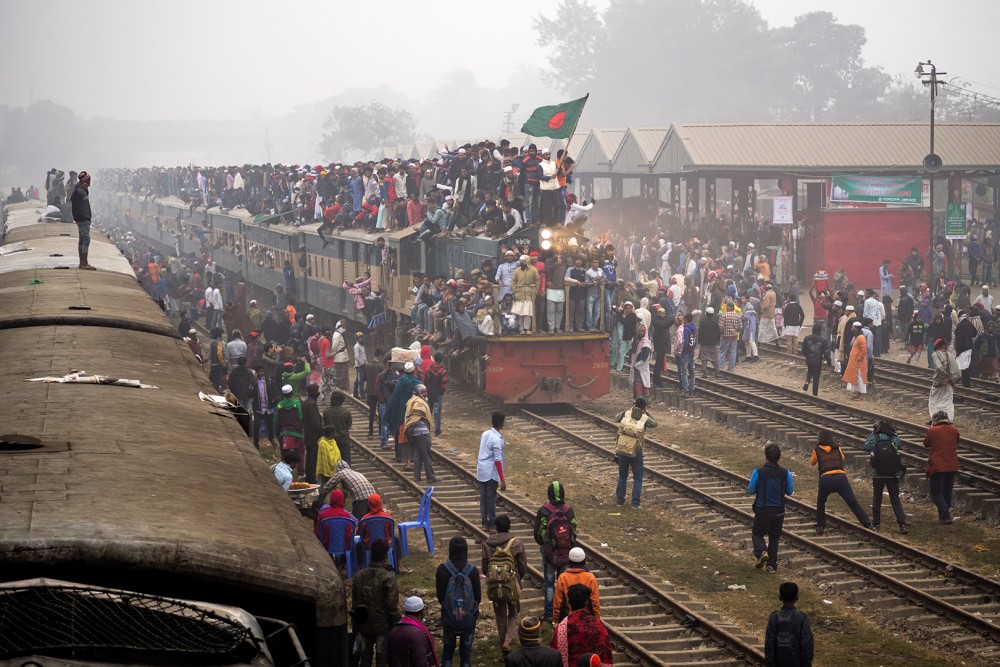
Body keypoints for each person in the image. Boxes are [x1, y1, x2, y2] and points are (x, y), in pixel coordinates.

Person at [482, 514, 528, 656]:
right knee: (514, 613)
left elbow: (485, 568)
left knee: (500, 617)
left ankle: (504, 652)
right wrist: (518, 578)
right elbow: (522, 566)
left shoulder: (487, 544)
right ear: (509, 526)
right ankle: (507, 641)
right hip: (511, 586)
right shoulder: (516, 543)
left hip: (495, 587)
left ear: (496, 527)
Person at [809, 430, 872, 533]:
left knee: (821, 502)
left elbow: (812, 462)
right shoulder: (837, 448)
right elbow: (842, 458)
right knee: (853, 502)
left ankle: (820, 525)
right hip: (841, 477)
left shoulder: (817, 450)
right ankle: (867, 524)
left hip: (826, 478)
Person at [533, 481, 578, 622]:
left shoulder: (544, 510)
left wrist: (544, 544)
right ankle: (565, 610)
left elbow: (537, 533)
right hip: (566, 553)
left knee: (549, 583)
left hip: (549, 554)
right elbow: (574, 528)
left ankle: (549, 613)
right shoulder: (568, 509)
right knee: (564, 581)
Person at [352, 539, 401, 667]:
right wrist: (398, 623)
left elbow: (355, 603)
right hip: (382, 627)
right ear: (385, 556)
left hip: (363, 625)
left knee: (365, 658)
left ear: (371, 554)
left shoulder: (359, 576)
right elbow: (391, 606)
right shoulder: (388, 578)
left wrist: (356, 626)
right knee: (381, 658)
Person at [747, 443, 794, 571]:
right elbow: (790, 491)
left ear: (766, 457)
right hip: (779, 511)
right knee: (774, 537)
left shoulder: (758, 472)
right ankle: (772, 566)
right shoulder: (786, 473)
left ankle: (762, 552)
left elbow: (750, 490)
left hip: (762, 510)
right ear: (779, 457)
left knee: (757, 534)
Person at [436, 535, 481, 667]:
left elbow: (440, 596)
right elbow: (477, 598)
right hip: (468, 621)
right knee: (466, 653)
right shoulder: (472, 571)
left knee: (447, 652)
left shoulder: (442, 569)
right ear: (465, 550)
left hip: (449, 618)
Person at [550, 584, 613, 667]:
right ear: (586, 603)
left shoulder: (562, 627)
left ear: (568, 603)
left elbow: (555, 655)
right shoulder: (598, 624)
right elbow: (606, 653)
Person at [862, 420, 908, 534]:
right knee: (895, 499)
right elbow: (899, 446)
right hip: (893, 473)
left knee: (877, 499)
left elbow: (866, 447)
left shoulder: (875, 437)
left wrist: (872, 434)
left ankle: (876, 524)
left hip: (877, 473)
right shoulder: (894, 437)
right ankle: (902, 524)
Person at [613, 397, 656, 508]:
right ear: (645, 407)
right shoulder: (645, 418)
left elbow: (616, 418)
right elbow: (655, 423)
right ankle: (635, 504)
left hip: (622, 450)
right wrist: (646, 413)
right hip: (636, 451)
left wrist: (629, 410)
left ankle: (619, 501)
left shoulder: (626, 414)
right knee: (638, 478)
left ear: (634, 404)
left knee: (622, 476)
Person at [764, 582, 814, 667]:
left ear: (780, 597)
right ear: (797, 597)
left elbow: (769, 645)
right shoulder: (802, 618)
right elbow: (806, 645)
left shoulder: (774, 617)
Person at [924, 411, 960, 525]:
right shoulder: (954, 429)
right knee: (946, 491)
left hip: (938, 466)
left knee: (935, 492)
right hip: (952, 465)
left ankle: (945, 515)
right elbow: (956, 443)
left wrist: (931, 428)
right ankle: (944, 515)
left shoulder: (933, 430)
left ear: (935, 420)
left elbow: (926, 443)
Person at [477, 412, 507, 531]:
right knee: (491, 499)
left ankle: (484, 522)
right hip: (490, 473)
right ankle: (493, 524)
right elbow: (498, 461)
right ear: (501, 423)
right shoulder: (497, 439)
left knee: (483, 498)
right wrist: (502, 479)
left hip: (481, 470)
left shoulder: (485, 434)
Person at [387, 596, 438, 667]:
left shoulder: (394, 630)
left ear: (405, 612)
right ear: (421, 612)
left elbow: (389, 658)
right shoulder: (417, 634)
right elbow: (421, 662)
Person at [553, 548, 601, 623]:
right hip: (586, 618)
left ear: (569, 561)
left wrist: (556, 621)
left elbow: (558, 602)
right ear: (584, 561)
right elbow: (594, 602)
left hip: (568, 618)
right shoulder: (590, 577)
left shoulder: (563, 577)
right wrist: (597, 619)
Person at [386, 362, 421, 463]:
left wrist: (390, 411)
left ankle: (399, 455)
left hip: (401, 411)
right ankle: (414, 456)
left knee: (399, 433)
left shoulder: (401, 381)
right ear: (414, 371)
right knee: (414, 433)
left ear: (405, 371)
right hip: (413, 412)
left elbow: (395, 396)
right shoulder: (416, 381)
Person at [405, 384, 436, 484]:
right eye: (423, 392)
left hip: (414, 433)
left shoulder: (411, 401)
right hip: (422, 432)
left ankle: (416, 477)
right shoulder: (419, 403)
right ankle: (430, 477)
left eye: (425, 391)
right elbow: (419, 416)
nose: (425, 393)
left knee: (417, 454)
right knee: (426, 455)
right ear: (418, 393)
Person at [274, 384, 305, 475]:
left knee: (284, 454)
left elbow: (276, 421)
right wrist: (302, 428)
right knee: (300, 452)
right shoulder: (297, 404)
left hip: (285, 433)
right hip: (297, 433)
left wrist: (278, 433)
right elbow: (301, 417)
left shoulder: (279, 405)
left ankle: (283, 473)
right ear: (292, 393)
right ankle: (301, 472)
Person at [928, 338, 960, 420]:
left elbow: (939, 368)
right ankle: (950, 419)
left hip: (938, 383)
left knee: (934, 402)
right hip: (949, 383)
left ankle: (934, 418)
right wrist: (950, 379)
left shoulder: (935, 354)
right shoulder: (949, 354)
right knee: (948, 402)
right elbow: (956, 369)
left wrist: (945, 377)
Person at [70, 171, 95, 270]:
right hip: (83, 218)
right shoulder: (80, 191)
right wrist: (78, 218)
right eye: (88, 181)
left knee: (82, 240)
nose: (89, 183)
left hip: (84, 218)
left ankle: (82, 263)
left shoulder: (80, 190)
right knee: (86, 239)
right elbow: (76, 207)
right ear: (85, 181)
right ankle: (84, 263)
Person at [800, 323, 831, 397]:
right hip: (817, 360)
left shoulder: (807, 338)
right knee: (816, 378)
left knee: (810, 369)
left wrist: (807, 356)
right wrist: (829, 362)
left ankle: (807, 381)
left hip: (809, 359)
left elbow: (803, 350)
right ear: (820, 331)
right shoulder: (822, 340)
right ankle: (814, 394)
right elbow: (826, 353)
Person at [323, 390, 354, 466]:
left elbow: (325, 424)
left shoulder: (326, 411)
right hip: (343, 440)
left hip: (330, 440)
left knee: (331, 463)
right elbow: (349, 425)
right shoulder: (346, 412)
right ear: (342, 400)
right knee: (346, 462)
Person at [301, 384, 323, 483]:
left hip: (308, 434)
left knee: (309, 457)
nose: (318, 392)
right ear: (314, 392)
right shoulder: (312, 404)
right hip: (314, 436)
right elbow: (315, 422)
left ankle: (308, 476)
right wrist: (322, 433)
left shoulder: (305, 403)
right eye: (317, 391)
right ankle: (312, 479)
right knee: (313, 457)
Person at [512, 254, 540, 334]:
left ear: (527, 261)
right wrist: (514, 290)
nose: (522, 262)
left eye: (523, 261)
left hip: (529, 294)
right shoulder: (517, 270)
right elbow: (513, 281)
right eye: (521, 261)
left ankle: (527, 328)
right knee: (520, 313)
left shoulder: (533, 270)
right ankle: (521, 329)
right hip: (519, 293)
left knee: (527, 312)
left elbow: (537, 280)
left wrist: (535, 290)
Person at [423, 352, 448, 437]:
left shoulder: (429, 368)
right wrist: (442, 392)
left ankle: (426, 429)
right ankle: (437, 431)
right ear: (442, 360)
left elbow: (425, 380)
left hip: (429, 391)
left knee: (428, 411)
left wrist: (426, 389)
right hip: (437, 394)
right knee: (437, 413)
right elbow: (444, 384)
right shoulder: (443, 371)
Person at [842, 321, 868, 399]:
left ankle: (862, 393)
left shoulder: (861, 337)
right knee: (856, 377)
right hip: (855, 362)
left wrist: (859, 358)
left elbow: (864, 350)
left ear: (856, 328)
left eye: (853, 327)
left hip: (859, 362)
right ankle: (858, 393)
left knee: (860, 378)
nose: (851, 328)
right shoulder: (858, 337)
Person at [629, 322, 653, 399]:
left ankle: (642, 399)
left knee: (642, 382)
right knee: (638, 382)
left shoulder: (645, 343)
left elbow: (645, 358)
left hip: (641, 367)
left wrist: (637, 365)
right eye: (640, 331)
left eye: (643, 331)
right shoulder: (638, 341)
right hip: (638, 367)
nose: (641, 333)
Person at [699, 306, 722, 377]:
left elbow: (700, 332)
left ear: (706, 313)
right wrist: (717, 340)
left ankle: (704, 371)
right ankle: (717, 371)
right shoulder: (715, 322)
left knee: (704, 357)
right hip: (713, 342)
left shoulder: (702, 322)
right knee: (714, 357)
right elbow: (718, 332)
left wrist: (699, 341)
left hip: (704, 342)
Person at [354, 332, 368, 398]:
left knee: (359, 379)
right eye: (359, 338)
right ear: (357, 339)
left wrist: (366, 363)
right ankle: (361, 394)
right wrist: (361, 363)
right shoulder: (356, 347)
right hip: (360, 366)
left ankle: (355, 393)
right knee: (361, 380)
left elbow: (364, 355)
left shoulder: (362, 346)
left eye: (362, 337)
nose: (361, 339)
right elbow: (356, 357)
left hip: (364, 364)